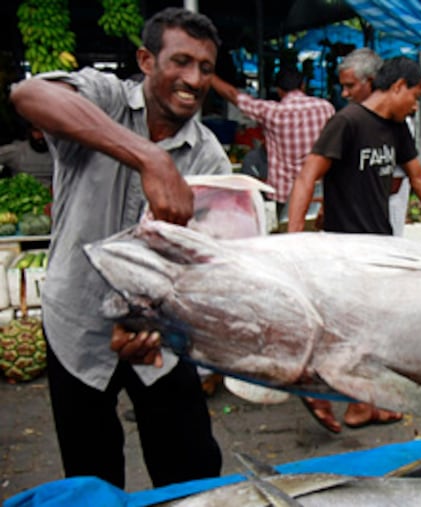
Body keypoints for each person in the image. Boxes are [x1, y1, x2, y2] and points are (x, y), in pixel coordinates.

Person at [10, 7, 229, 488]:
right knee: (90, 479)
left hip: (160, 337)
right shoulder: (105, 97)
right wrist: (148, 156)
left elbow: (199, 265)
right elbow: (28, 94)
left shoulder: (210, 154)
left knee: (191, 473)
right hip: (77, 323)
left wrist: (151, 319)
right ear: (147, 60)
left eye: (207, 69)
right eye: (182, 61)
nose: (194, 79)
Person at [288, 56, 421, 433]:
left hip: (380, 244)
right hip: (346, 249)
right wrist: (293, 239)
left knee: (373, 330)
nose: (415, 106)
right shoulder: (347, 122)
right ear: (398, 86)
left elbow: (418, 178)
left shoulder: (397, 128)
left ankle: (365, 403)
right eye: (415, 97)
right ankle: (342, 398)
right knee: (355, 331)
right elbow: (308, 176)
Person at [210, 66, 334, 218]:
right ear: (303, 86)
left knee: (287, 235)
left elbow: (233, 95)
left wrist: (207, 73)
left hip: (285, 194)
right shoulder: (325, 108)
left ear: (279, 90)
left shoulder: (270, 111)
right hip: (319, 190)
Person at [338, 47, 410, 236]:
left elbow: (397, 178)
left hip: (383, 217)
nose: (344, 94)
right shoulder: (350, 121)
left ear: (370, 82)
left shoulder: (397, 121)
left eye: (350, 86)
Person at [0, 121, 54, 187]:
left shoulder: (60, 154)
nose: (41, 135)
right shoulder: (16, 151)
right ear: (30, 131)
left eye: (46, 132)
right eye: (37, 131)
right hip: (20, 192)